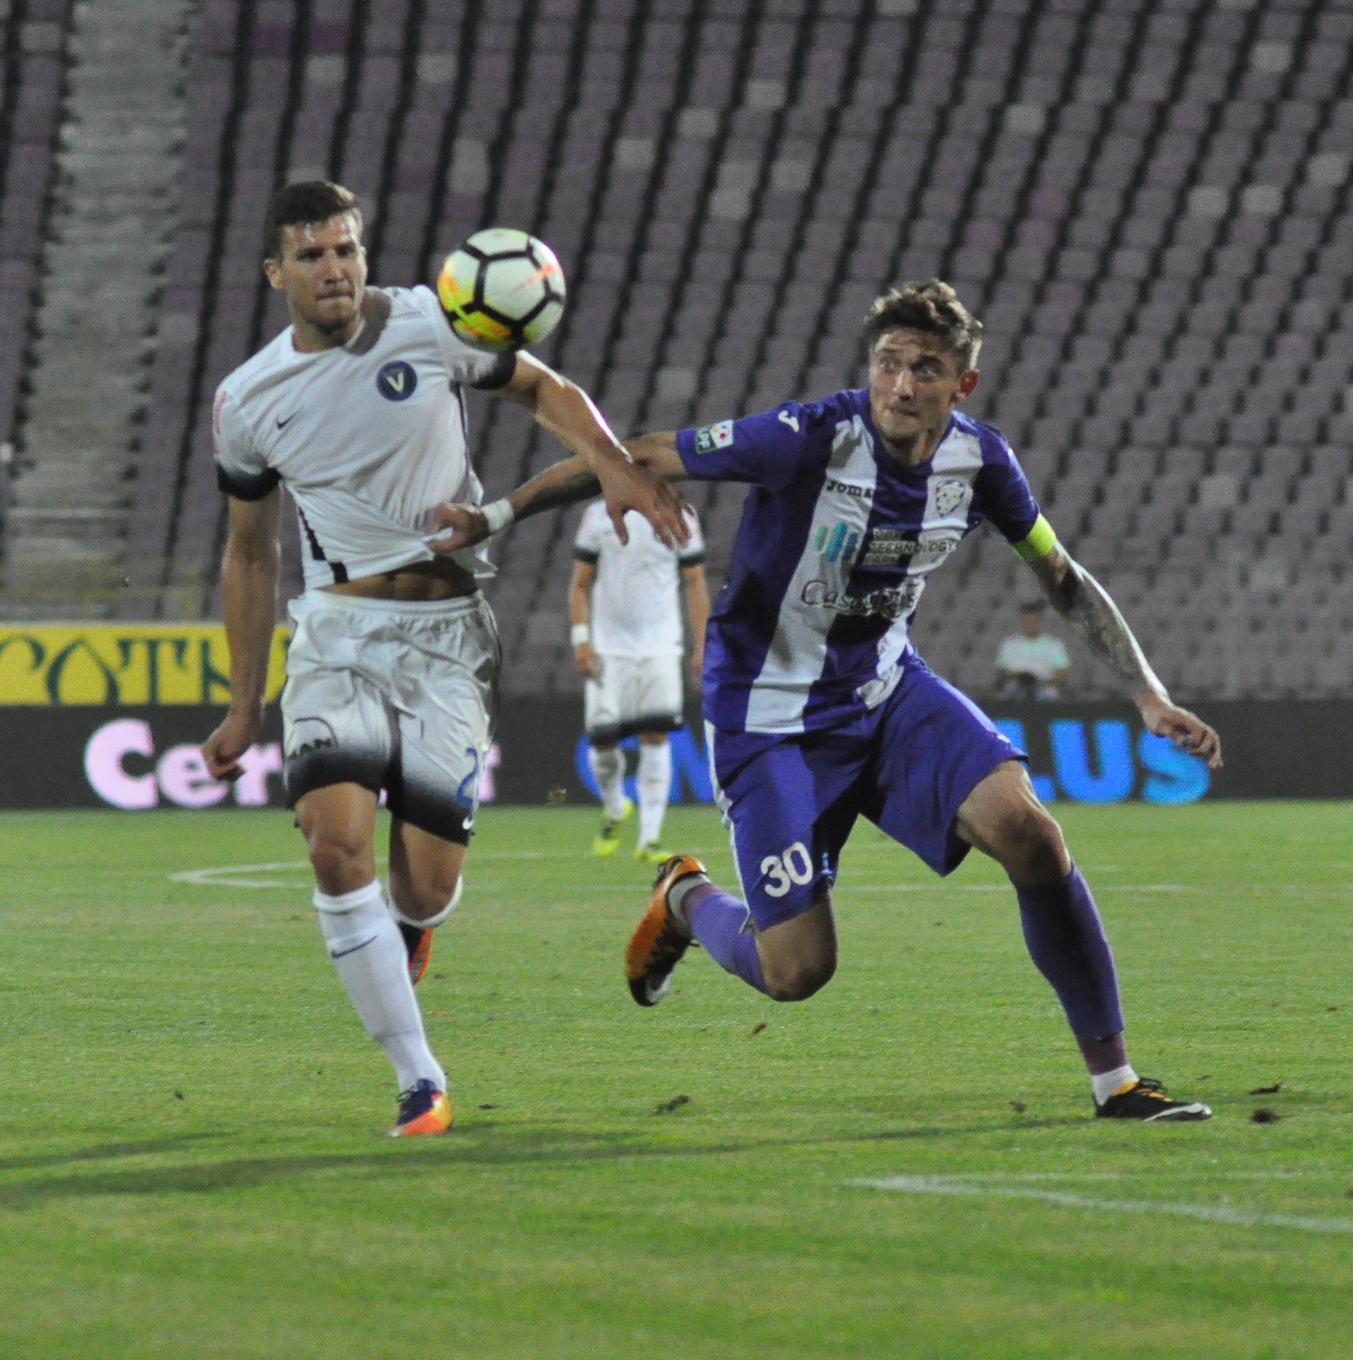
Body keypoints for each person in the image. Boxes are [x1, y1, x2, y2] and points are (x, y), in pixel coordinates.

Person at [432, 280, 1223, 1122]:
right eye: (888, 363)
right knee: (797, 971)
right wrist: (496, 515)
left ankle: (1116, 1081)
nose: (902, 385)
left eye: (926, 369)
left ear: (963, 385)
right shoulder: (808, 437)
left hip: (886, 692)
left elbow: (1060, 576)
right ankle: (687, 900)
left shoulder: (982, 462)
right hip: (766, 719)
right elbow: (642, 452)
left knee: (1031, 835)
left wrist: (1147, 694)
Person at [198, 181, 690, 1138]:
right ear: (275, 274)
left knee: (424, 886)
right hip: (336, 636)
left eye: (345, 249)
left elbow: (542, 388)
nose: (334, 269)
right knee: (335, 846)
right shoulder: (247, 400)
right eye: (311, 255)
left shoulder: (427, 323)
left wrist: (615, 465)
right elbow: (249, 552)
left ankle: (414, 930)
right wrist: (244, 703)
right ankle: (418, 1078)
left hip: (450, 638)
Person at [570, 501, 709, 860]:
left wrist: (702, 646)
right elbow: (581, 583)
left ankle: (650, 837)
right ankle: (615, 806)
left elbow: (695, 581)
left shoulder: (681, 515)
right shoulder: (598, 515)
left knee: (655, 735)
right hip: (608, 649)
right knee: (602, 740)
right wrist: (581, 640)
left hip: (661, 646)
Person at [995, 601, 1072, 700]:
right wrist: (1019, 678)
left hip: (1046, 697)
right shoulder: (1008, 645)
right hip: (1015, 697)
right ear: (1022, 621)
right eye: (1027, 621)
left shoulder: (1054, 645)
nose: (1030, 624)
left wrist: (1037, 684)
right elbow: (1000, 674)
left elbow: (1063, 676)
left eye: (1033, 620)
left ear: (1039, 621)